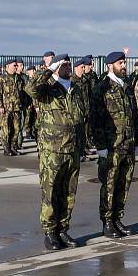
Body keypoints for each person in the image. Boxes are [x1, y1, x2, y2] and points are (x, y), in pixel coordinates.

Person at [26, 54, 86, 250]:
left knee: (69, 192)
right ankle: (50, 231)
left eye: (69, 63)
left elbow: (82, 117)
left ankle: (63, 229)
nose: (68, 67)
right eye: (63, 64)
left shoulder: (76, 89)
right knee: (51, 192)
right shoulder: (48, 89)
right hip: (52, 150)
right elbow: (30, 89)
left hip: (73, 149)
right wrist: (49, 69)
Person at [90, 51, 138, 238]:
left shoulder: (127, 87)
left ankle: (118, 218)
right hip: (112, 146)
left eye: (124, 62)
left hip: (128, 144)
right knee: (109, 186)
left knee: (124, 184)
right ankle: (107, 221)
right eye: (120, 63)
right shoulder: (101, 88)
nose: (123, 66)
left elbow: (134, 116)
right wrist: (101, 147)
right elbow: (95, 120)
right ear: (110, 65)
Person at [0, 58, 24, 156]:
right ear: (7, 66)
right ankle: (6, 148)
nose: (16, 67)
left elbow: (22, 92)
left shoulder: (19, 78)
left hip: (16, 108)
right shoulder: (1, 78)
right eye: (14, 65)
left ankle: (13, 147)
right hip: (6, 109)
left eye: (16, 65)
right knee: (6, 129)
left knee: (16, 129)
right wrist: (0, 106)